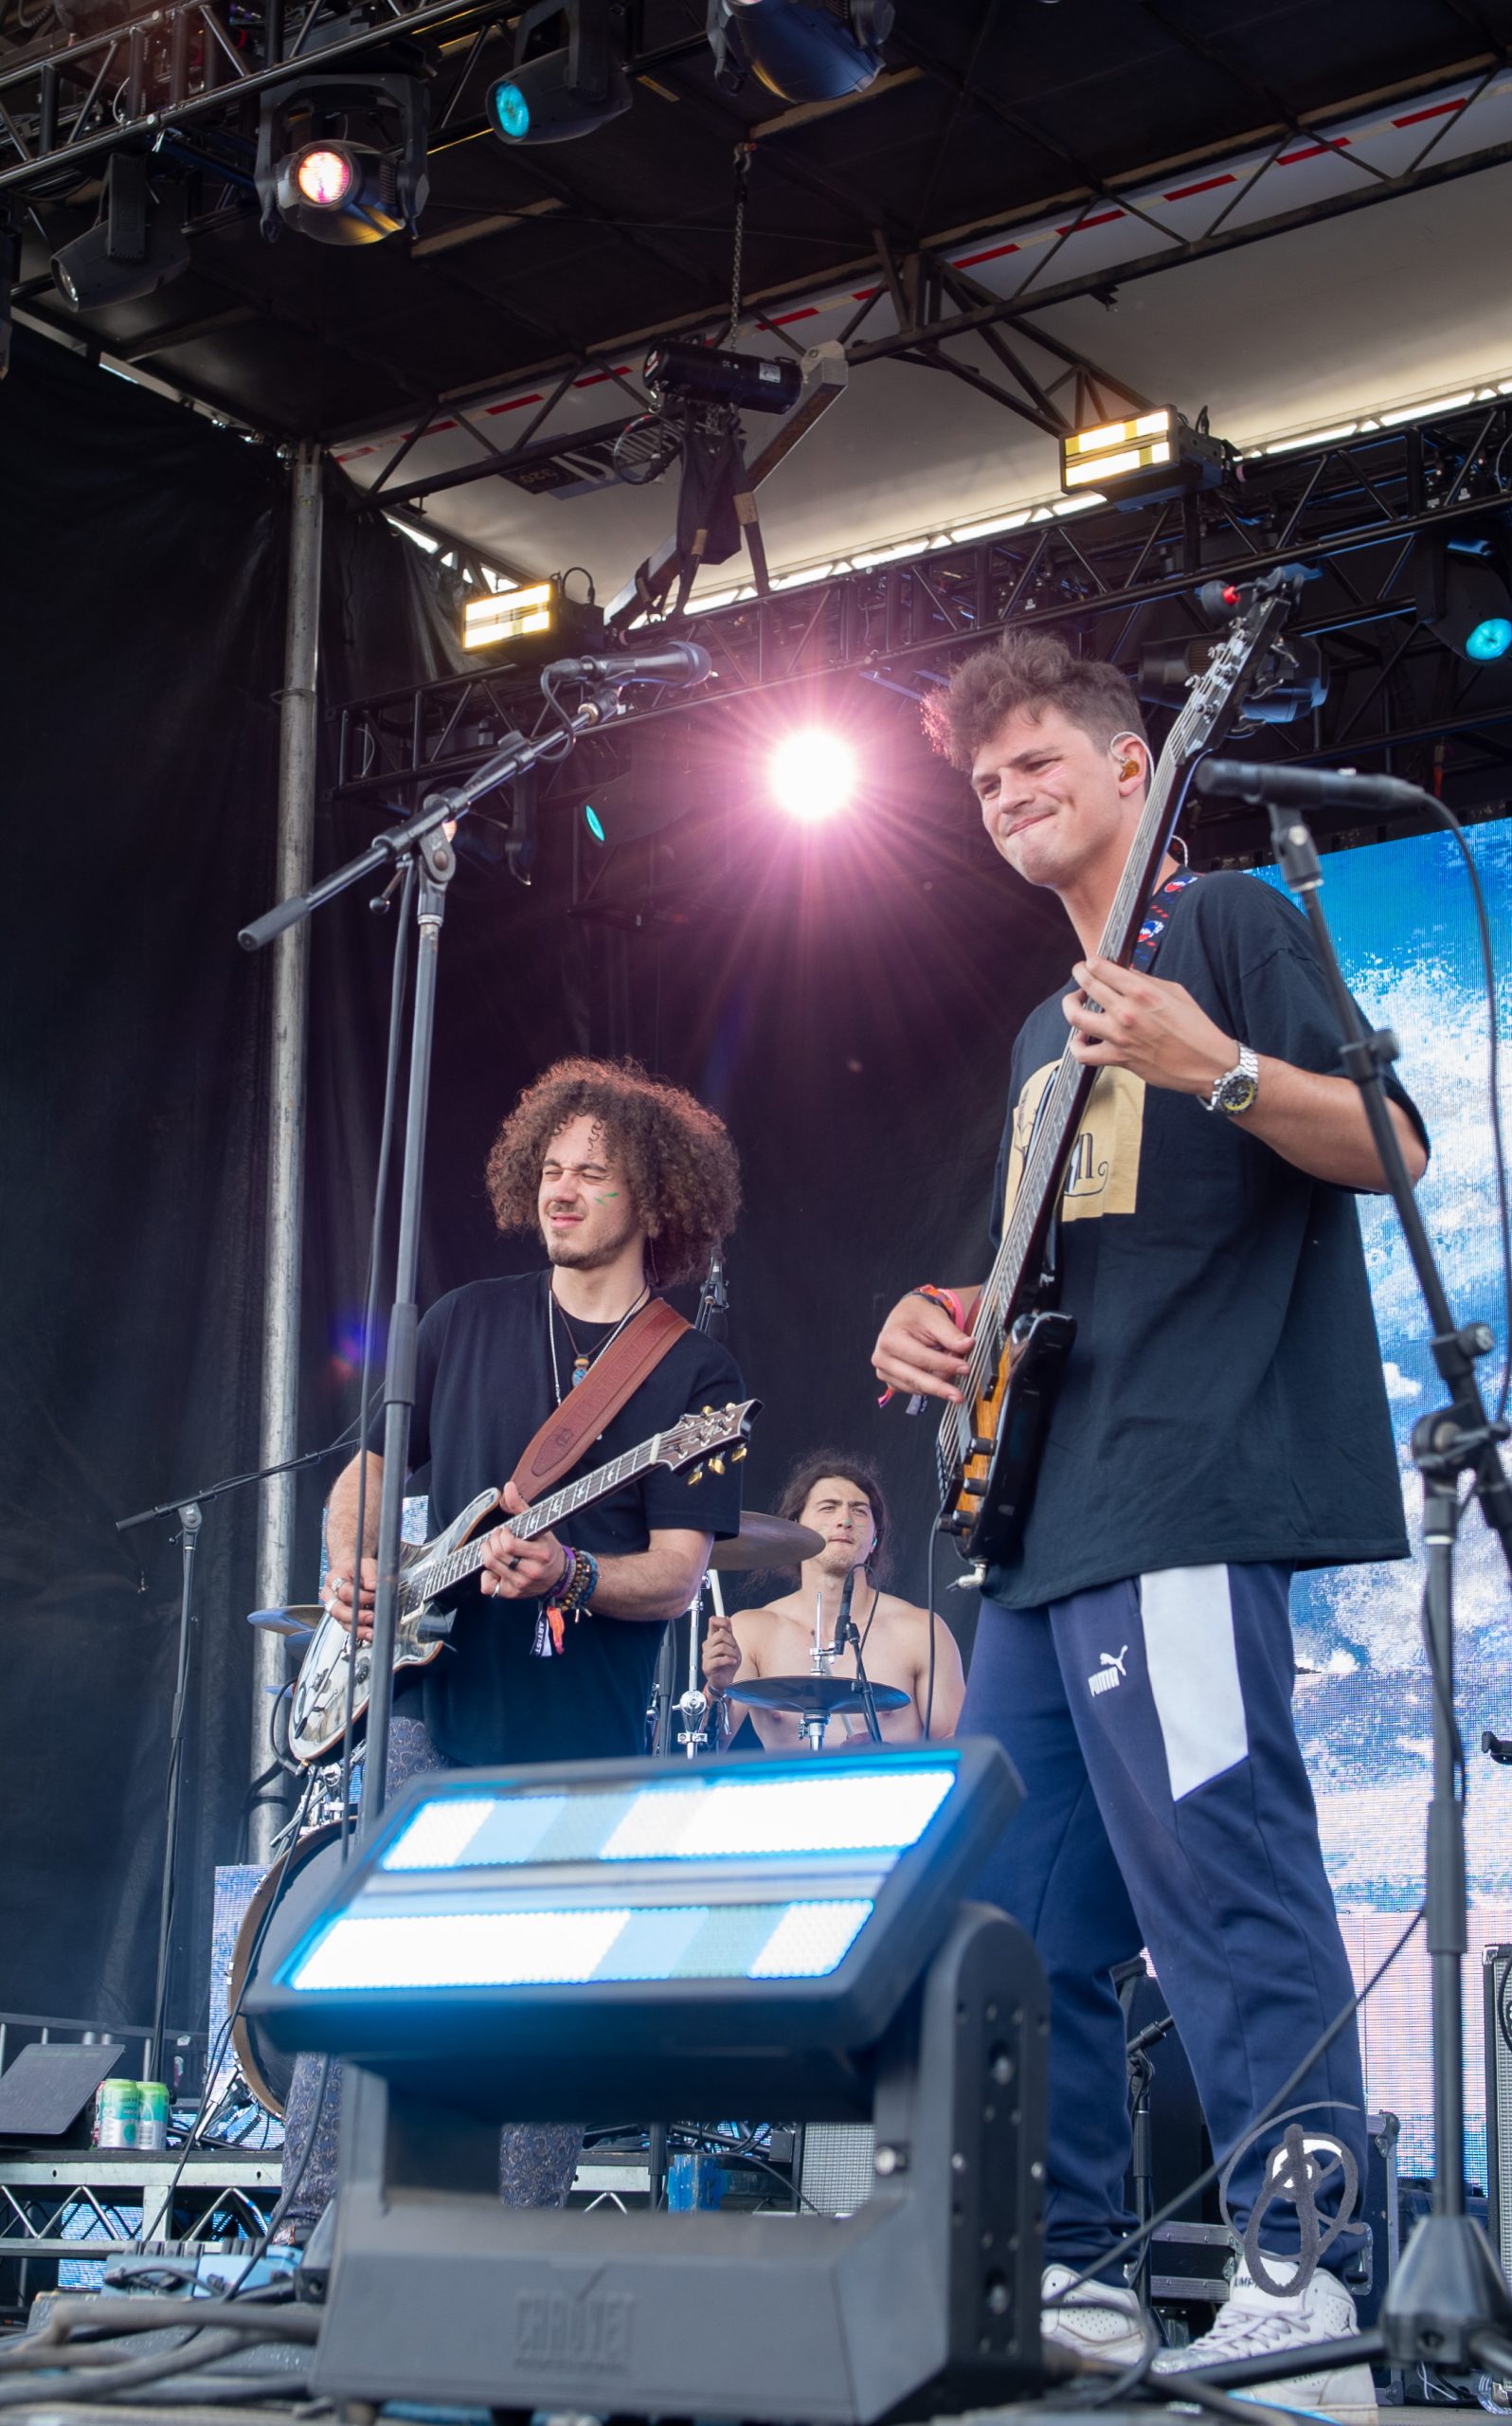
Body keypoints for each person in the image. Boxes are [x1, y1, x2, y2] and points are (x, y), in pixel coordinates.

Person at [871, 629, 1427, 2416]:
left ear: (1135, 764)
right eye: (982, 780)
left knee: (1224, 1876)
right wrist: (941, 1335)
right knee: (1016, 1920)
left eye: (1042, 759)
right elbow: (1061, 1280)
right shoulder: (1045, 1023)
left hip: (1186, 1495)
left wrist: (1218, 1066)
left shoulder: (1240, 924)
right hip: (1040, 1520)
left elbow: (1395, 1143)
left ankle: (1312, 2276)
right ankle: (1071, 2278)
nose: (1009, 793)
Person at [280, 1056, 745, 2239]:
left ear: (654, 1197)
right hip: (429, 1710)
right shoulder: (460, 1321)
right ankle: (309, 2242)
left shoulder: (693, 1375)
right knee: (365, 1974)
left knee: (532, 2006)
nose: (566, 1189)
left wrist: (578, 1571)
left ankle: (510, 2260)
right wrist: (354, 1565)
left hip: (572, 1738)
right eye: (552, 1167)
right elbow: (369, 1475)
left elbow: (682, 1570)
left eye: (594, 1172)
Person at [700, 1453, 964, 1747]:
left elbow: (959, 1744)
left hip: (889, 1791)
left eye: (860, 1511)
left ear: (875, 1536)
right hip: (789, 1792)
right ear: (794, 1525)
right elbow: (705, 1750)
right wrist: (716, 1689)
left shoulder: (921, 1631)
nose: (845, 1520)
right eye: (828, 1508)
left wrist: (887, 1760)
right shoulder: (752, 1630)